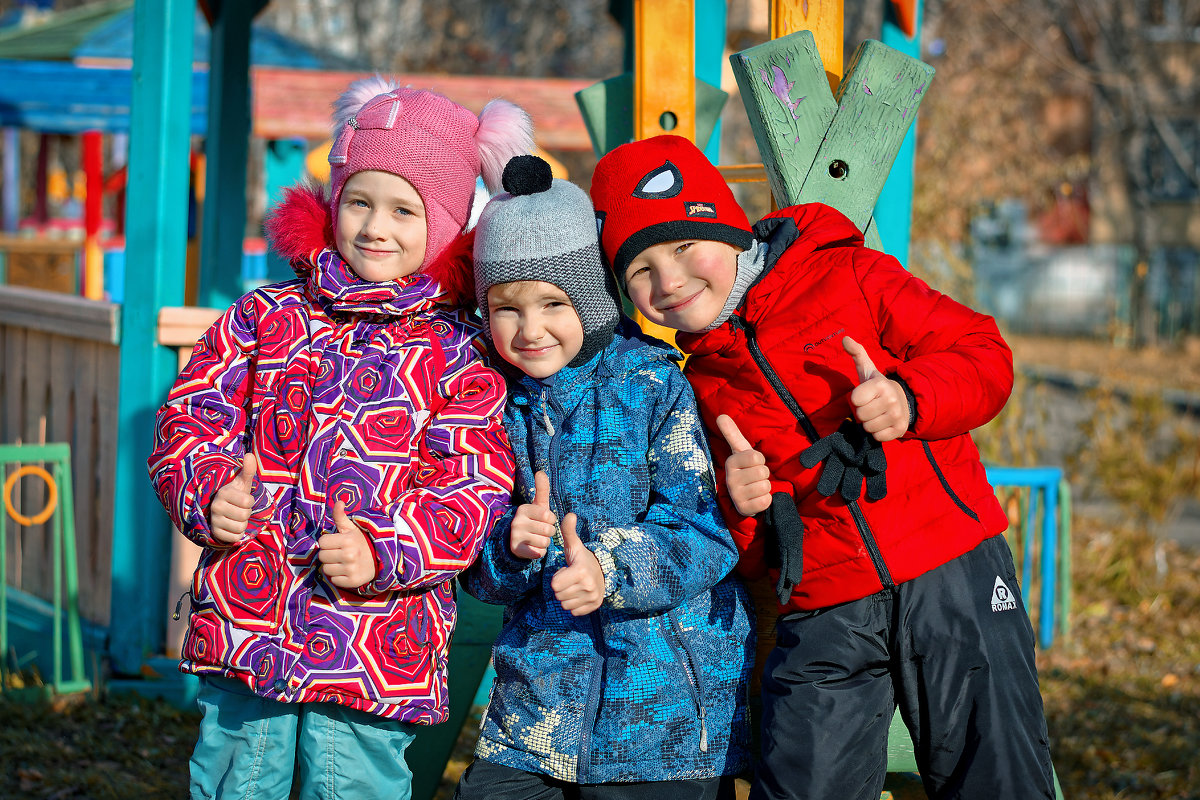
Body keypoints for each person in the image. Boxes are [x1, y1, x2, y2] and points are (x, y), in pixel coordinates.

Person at [589, 134, 1055, 800]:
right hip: (824, 603)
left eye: (685, 246)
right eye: (640, 270)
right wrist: (741, 507)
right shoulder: (694, 385)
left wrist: (910, 397)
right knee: (805, 783)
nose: (668, 281)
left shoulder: (851, 276)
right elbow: (744, 555)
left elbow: (982, 353)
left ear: (724, 226)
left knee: (998, 775)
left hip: (950, 565)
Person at [146, 77, 533, 800]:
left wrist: (383, 550)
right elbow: (191, 413)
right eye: (359, 201)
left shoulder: (457, 354)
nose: (375, 227)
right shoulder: (265, 317)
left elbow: (470, 486)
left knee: (350, 782)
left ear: (447, 226)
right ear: (332, 204)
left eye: (404, 210)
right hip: (248, 615)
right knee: (236, 776)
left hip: (374, 637)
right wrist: (208, 488)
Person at [454, 154, 754, 800]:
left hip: (664, 719)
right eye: (506, 308)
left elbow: (705, 530)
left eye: (553, 303)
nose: (530, 330)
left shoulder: (653, 384)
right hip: (537, 710)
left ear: (590, 299)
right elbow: (471, 557)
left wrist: (607, 569)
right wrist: (510, 545)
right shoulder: (491, 402)